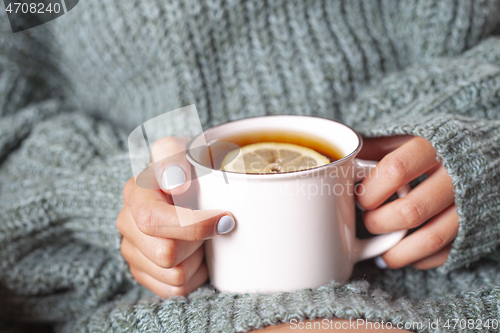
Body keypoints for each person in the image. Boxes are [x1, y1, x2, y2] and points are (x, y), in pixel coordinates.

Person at [1, 0, 500, 332]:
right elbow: (11, 130)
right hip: (159, 299)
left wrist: (483, 150)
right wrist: (120, 202)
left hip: (464, 270)